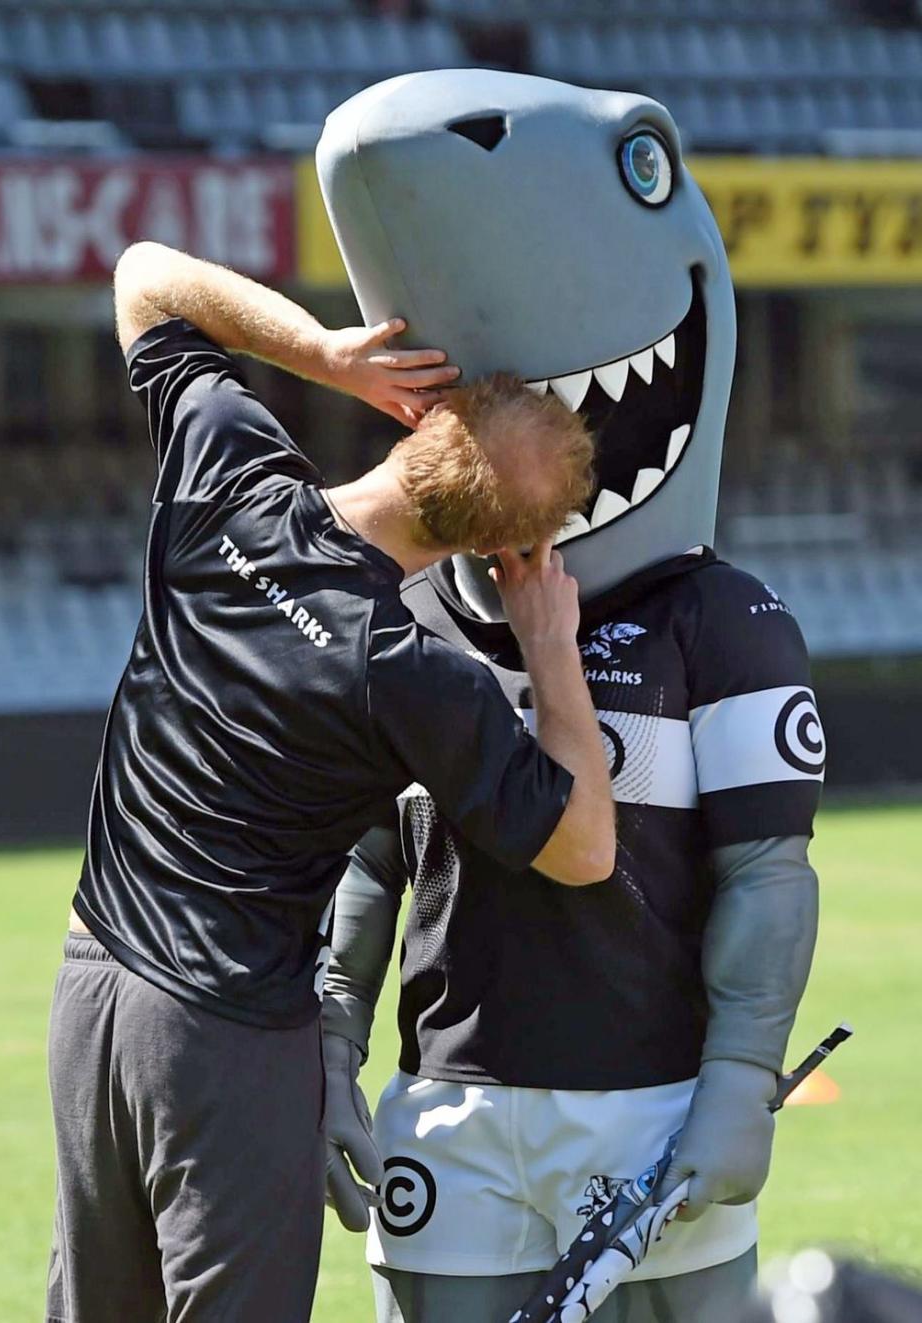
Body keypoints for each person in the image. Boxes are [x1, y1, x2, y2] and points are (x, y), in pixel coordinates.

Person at [317, 71, 825, 1323]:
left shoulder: (724, 620)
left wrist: (738, 1073)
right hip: (451, 1109)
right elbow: (369, 866)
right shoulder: (414, 610)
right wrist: (330, 1037)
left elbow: (767, 869)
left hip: (649, 1108)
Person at [45, 240, 617, 1323]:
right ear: (501, 554)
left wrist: (324, 353)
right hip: (224, 1036)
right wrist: (549, 648)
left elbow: (143, 278)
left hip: (91, 988)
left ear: (419, 421)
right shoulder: (413, 679)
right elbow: (586, 847)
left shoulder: (232, 472)